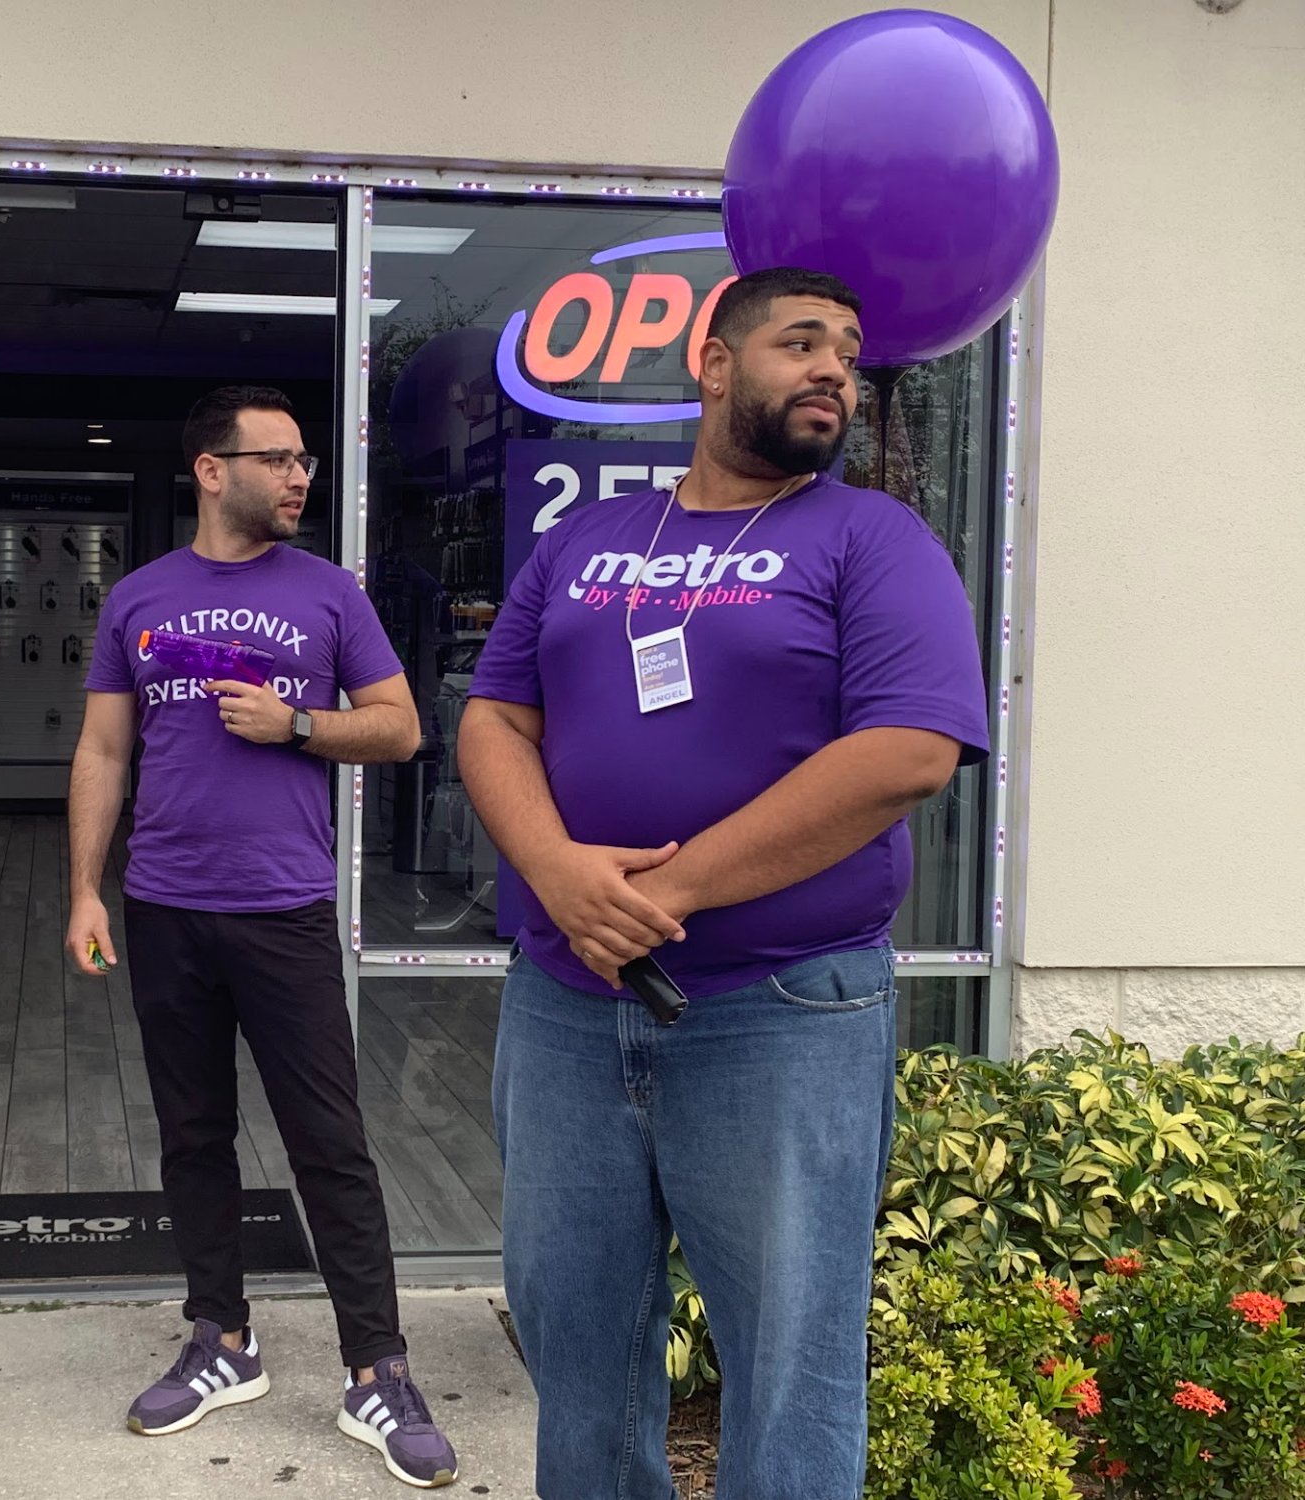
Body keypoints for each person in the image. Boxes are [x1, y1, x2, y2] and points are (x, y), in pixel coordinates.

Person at [458, 267, 988, 1500]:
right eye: (799, 342)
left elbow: (906, 750)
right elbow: (493, 716)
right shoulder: (584, 540)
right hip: (565, 1007)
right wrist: (553, 870)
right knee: (575, 1342)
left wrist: (670, 891)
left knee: (790, 1362)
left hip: (780, 1010)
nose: (831, 369)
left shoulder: (871, 538)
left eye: (845, 351)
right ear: (711, 364)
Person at [65, 386, 459, 1489]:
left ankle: (376, 1368)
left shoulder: (328, 592)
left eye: (303, 462)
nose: (297, 478)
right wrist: (84, 890)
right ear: (210, 469)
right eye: (276, 459)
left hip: (282, 908)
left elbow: (401, 729)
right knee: (192, 1135)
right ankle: (221, 1340)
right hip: (164, 905)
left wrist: (296, 724)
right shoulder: (139, 597)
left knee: (327, 1140)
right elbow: (103, 750)